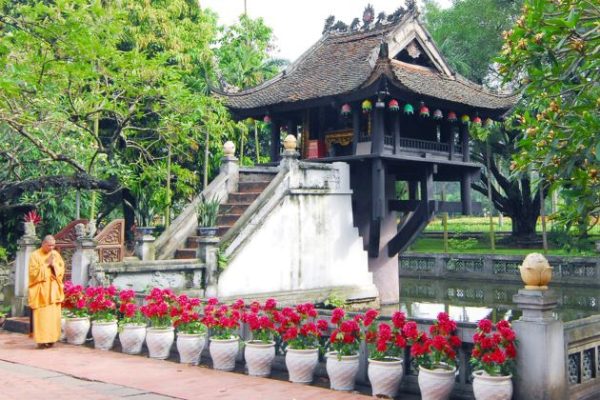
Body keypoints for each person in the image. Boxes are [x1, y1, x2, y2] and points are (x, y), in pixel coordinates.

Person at [28, 235, 65, 348]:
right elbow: (33, 274)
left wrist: (54, 266)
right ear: (43, 244)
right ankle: (41, 341)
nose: (51, 248)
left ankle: (52, 339)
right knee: (42, 317)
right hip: (41, 292)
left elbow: (61, 270)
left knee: (53, 316)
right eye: (49, 245)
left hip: (53, 290)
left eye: (53, 245)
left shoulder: (55, 254)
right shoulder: (35, 255)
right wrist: (46, 264)